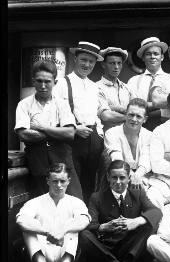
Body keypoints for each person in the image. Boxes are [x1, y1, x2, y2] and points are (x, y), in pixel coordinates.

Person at [79, 160, 162, 262]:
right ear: (107, 177)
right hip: (105, 249)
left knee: (148, 225)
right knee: (84, 235)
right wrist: (103, 227)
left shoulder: (137, 193)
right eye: (114, 177)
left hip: (128, 249)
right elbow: (91, 225)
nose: (118, 182)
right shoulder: (97, 197)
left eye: (122, 177)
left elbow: (156, 212)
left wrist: (135, 222)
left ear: (129, 178)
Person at [16, 163, 90, 262]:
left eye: (62, 181)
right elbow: (21, 220)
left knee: (73, 225)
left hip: (67, 253)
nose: (59, 185)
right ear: (47, 181)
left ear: (69, 181)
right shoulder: (35, 202)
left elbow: (84, 220)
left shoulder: (75, 202)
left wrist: (64, 230)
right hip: (41, 254)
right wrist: (45, 232)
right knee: (28, 229)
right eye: (55, 181)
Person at [15, 60, 82, 199]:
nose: (43, 86)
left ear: (54, 82)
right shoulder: (24, 105)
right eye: (39, 81)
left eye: (47, 81)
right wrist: (57, 131)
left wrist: (41, 127)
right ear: (33, 81)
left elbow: (70, 133)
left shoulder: (61, 104)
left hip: (63, 160)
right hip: (38, 163)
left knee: (75, 202)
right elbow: (23, 135)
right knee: (43, 206)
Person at [53, 41, 105, 203]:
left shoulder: (94, 87)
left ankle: (87, 221)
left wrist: (99, 135)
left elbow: (97, 114)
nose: (87, 64)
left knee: (90, 181)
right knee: (73, 183)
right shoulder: (62, 83)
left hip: (93, 139)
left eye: (91, 61)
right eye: (83, 59)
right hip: (73, 139)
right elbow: (55, 113)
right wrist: (75, 129)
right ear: (75, 59)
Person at [104, 98, 152, 190]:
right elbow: (117, 158)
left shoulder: (149, 136)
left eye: (138, 116)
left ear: (145, 119)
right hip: (118, 176)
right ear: (125, 115)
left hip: (142, 176)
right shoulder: (111, 133)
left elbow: (146, 159)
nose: (134, 119)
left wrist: (136, 177)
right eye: (131, 115)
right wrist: (131, 177)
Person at [127, 36, 169, 131]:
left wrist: (146, 105)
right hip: (140, 128)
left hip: (166, 127)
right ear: (143, 58)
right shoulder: (133, 81)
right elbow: (134, 106)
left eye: (156, 54)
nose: (152, 57)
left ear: (162, 57)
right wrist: (159, 104)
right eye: (148, 54)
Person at [97, 46, 134, 132]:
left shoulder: (127, 88)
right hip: (108, 137)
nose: (116, 67)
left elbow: (137, 110)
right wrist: (129, 117)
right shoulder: (97, 88)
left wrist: (114, 108)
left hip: (129, 135)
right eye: (112, 63)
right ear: (103, 64)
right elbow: (106, 116)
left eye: (119, 63)